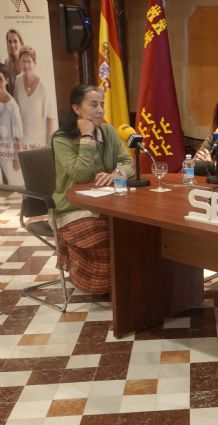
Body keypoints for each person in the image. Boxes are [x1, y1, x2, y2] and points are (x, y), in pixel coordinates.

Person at [52, 84, 134, 294]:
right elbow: (79, 174)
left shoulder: (108, 131)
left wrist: (117, 174)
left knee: (134, 231)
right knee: (106, 236)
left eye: (102, 104)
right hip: (72, 208)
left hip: (108, 204)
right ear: (76, 109)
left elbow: (129, 163)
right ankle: (105, 288)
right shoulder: (62, 138)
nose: (100, 110)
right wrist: (87, 137)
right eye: (94, 105)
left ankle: (131, 285)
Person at [14, 46, 57, 150]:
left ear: (35, 62)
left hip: (40, 141)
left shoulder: (44, 85)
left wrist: (48, 144)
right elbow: (15, 111)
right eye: (23, 61)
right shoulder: (18, 81)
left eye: (28, 61)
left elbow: (50, 118)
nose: (25, 65)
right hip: (22, 139)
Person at [0, 63, 24, 185]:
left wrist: (16, 158)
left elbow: (18, 137)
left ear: (7, 80)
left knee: (15, 186)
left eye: (0, 79)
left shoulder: (12, 106)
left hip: (8, 154)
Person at [4, 29, 24, 95]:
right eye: (9, 41)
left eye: (15, 41)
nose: (12, 45)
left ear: (21, 43)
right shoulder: (7, 62)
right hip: (14, 101)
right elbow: (9, 89)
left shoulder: (27, 60)